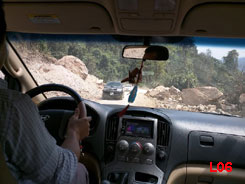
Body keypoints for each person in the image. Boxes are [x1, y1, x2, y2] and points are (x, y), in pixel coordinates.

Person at [0, 2, 91, 184]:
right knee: (80, 169)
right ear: (2, 47)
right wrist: (74, 133)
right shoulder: (12, 108)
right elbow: (60, 173)